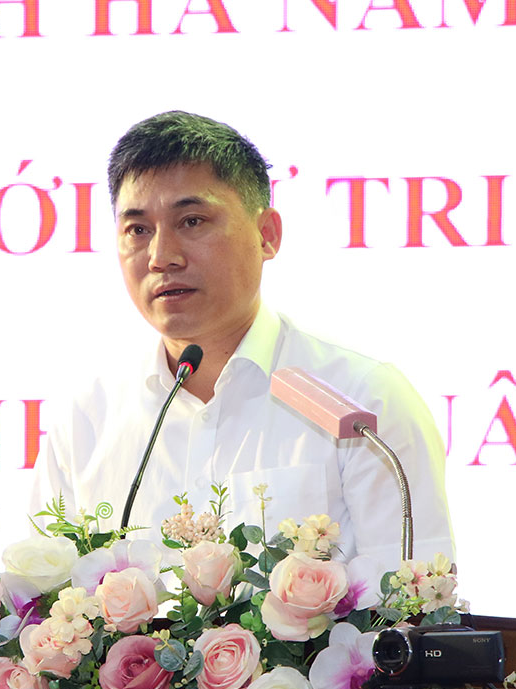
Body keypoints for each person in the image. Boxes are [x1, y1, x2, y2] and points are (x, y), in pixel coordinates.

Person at [29, 111, 454, 568]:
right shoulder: (86, 423)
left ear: (266, 235)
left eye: (192, 221)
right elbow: (44, 601)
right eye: (138, 230)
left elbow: (414, 595)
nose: (161, 256)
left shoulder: (364, 402)